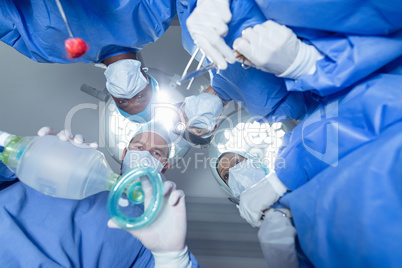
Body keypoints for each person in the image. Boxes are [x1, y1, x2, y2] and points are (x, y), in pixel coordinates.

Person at [0, 126, 199, 267]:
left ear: (164, 167)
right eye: (139, 147)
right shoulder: (73, 165)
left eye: (156, 153)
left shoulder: (152, 234)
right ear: (124, 154)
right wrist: (20, 157)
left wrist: (172, 258)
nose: (145, 154)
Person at [0, 0, 176, 121]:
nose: (129, 94)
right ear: (147, 79)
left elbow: (4, 20)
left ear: (112, 94)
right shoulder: (154, 19)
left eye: (122, 101)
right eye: (141, 96)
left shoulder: (48, 52)